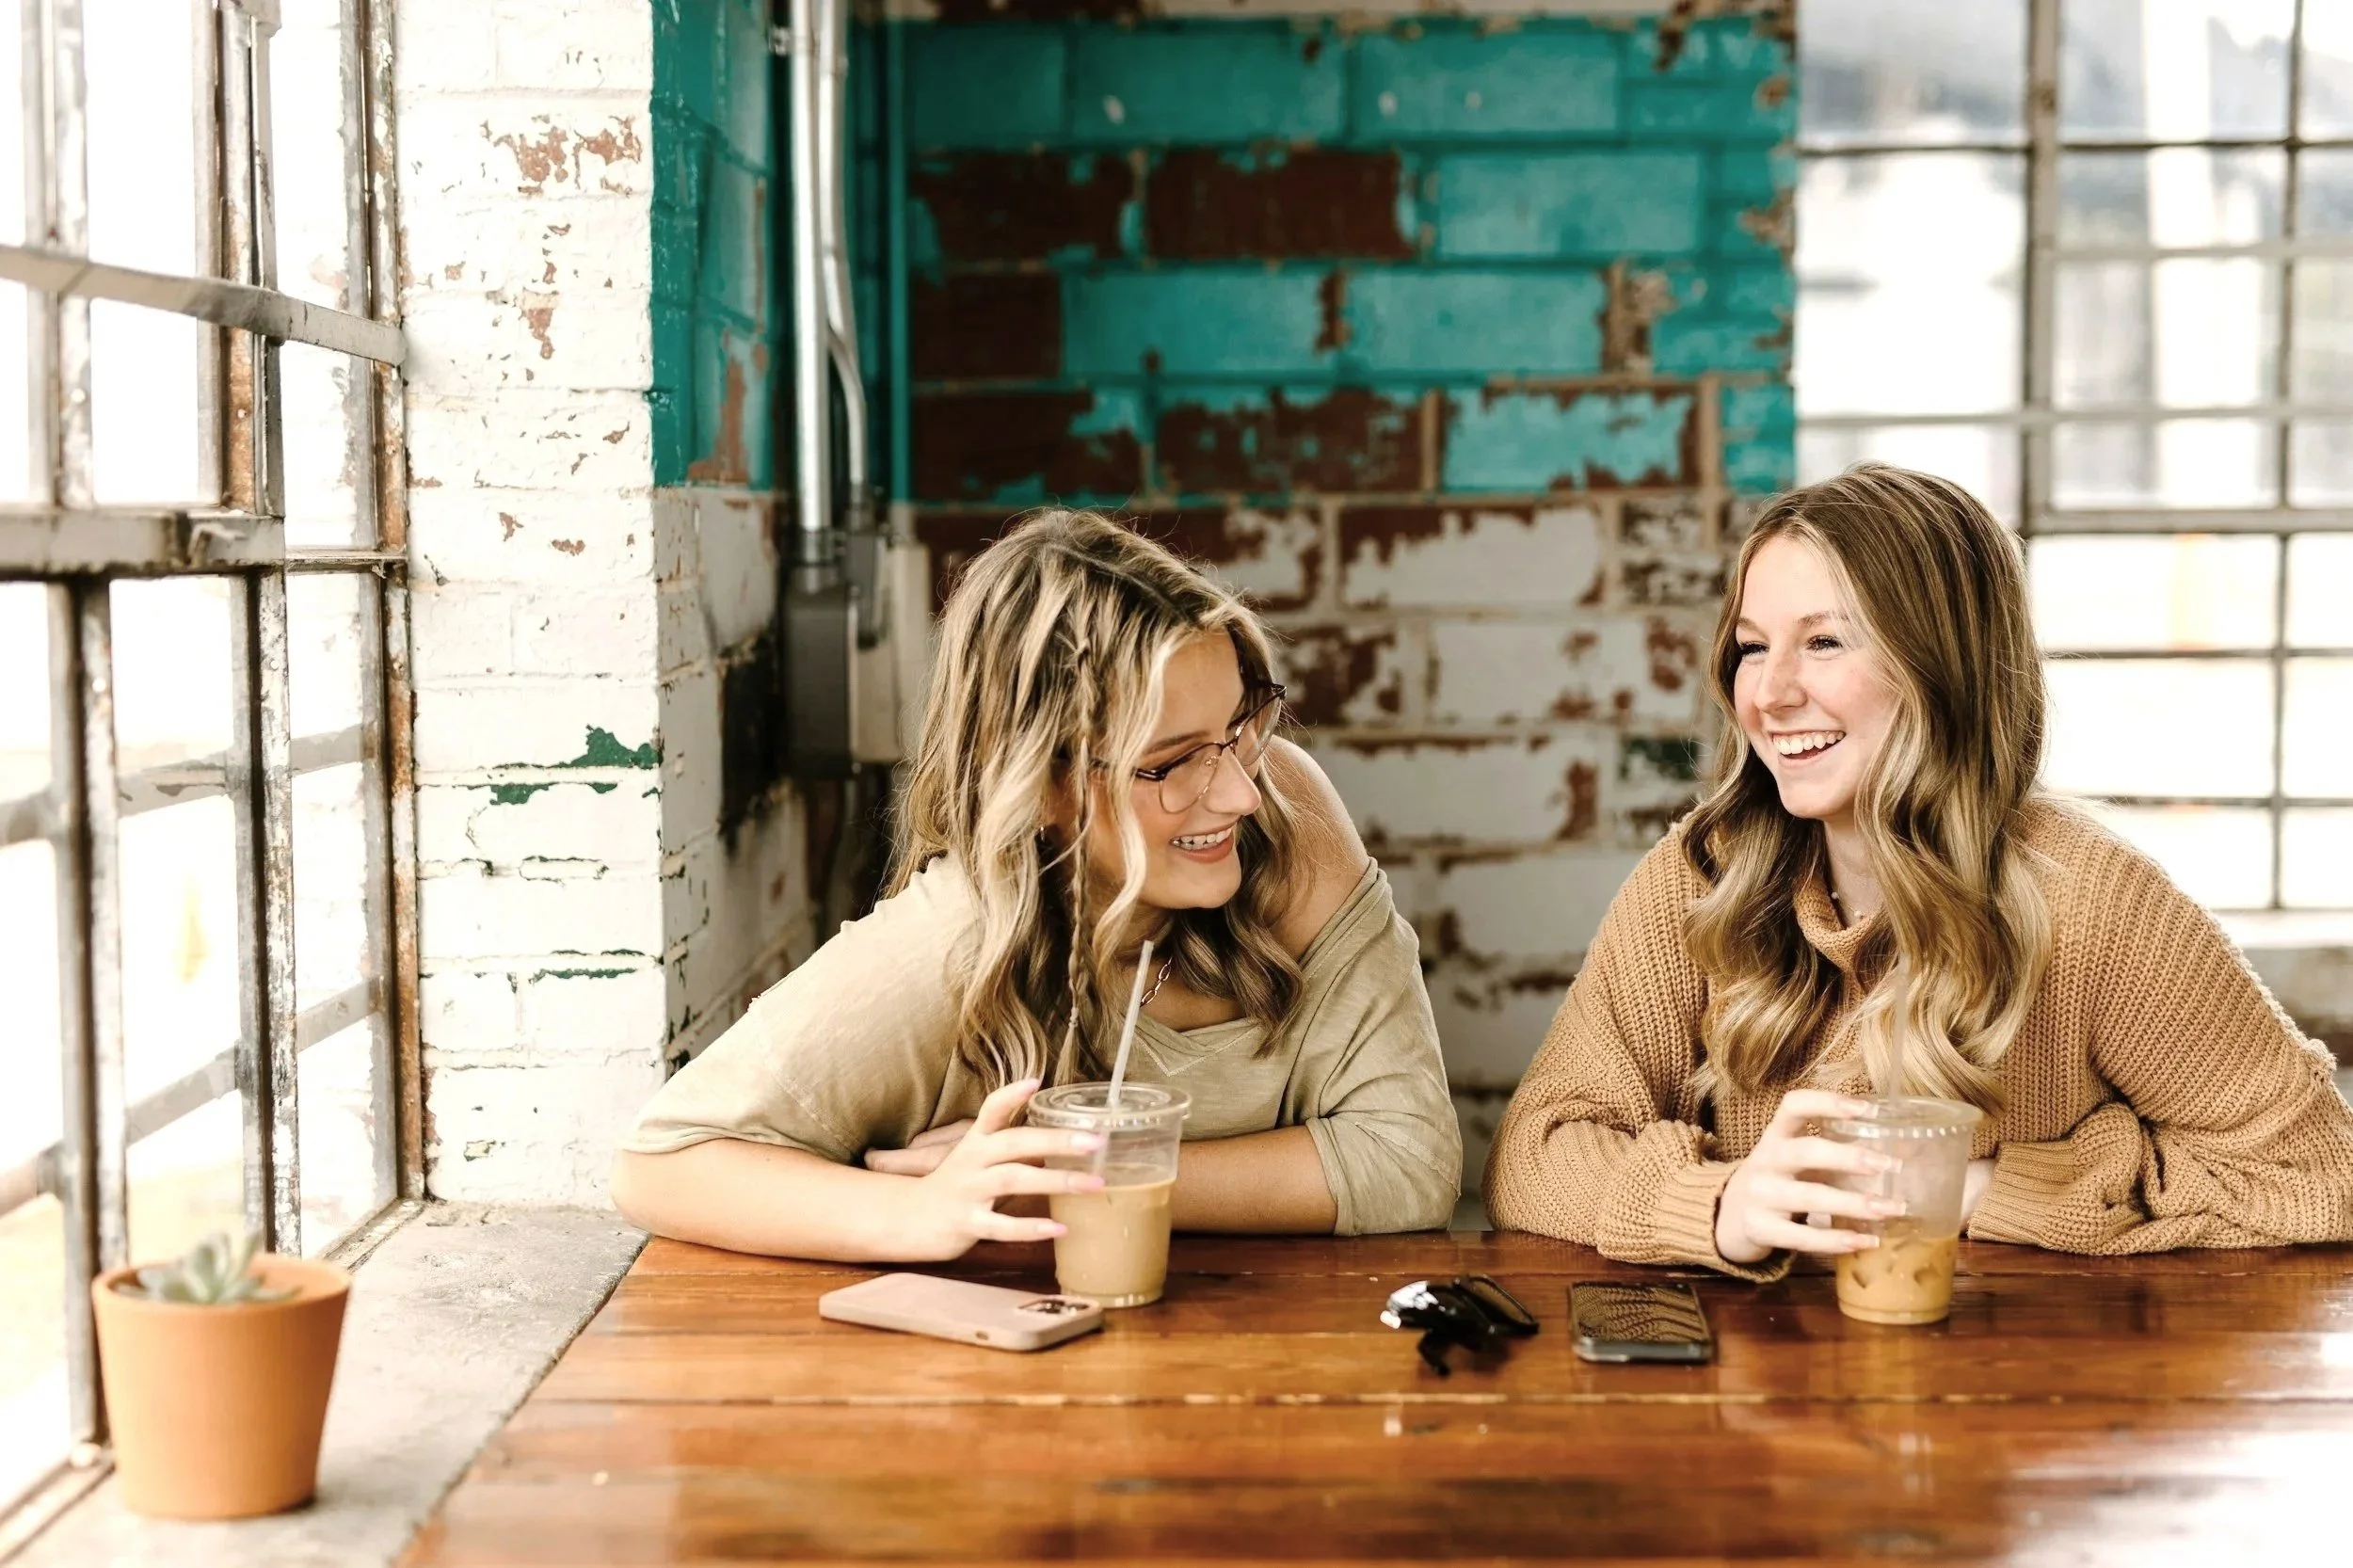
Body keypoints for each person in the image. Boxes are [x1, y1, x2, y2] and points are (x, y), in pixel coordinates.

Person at [1485, 464, 2353, 1278]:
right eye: (1752, 648)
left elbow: (2318, 1174)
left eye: (1824, 642)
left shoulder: (2097, 904)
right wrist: (1722, 1205)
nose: (1770, 693)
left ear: (1942, 667)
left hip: (2022, 1394)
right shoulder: (1702, 876)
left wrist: (1980, 1190)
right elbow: (1534, 1152)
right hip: (1752, 1405)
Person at [611, 509, 1460, 1261]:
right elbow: (661, 1165)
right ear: (1038, 784)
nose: (1239, 791)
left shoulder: (1286, 812)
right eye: (1167, 764)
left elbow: (1412, 1162)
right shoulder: (953, 941)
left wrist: (1070, 1177)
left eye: (1241, 728)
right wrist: (911, 1212)